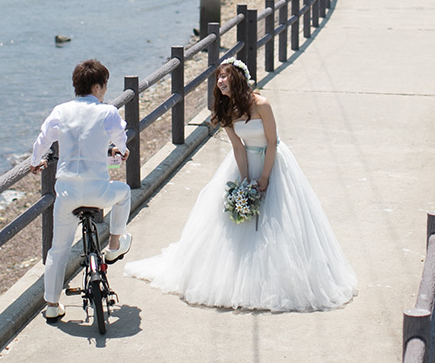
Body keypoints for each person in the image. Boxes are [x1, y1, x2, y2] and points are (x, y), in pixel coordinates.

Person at [125, 58, 356, 312]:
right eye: (218, 78)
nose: (220, 82)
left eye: (224, 76)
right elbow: (238, 147)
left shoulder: (261, 105)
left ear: (237, 78)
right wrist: (245, 182)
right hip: (245, 161)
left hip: (273, 162)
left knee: (280, 222)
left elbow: (273, 143)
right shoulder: (226, 109)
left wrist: (265, 178)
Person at [28, 59, 132, 323]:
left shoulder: (61, 111)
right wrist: (122, 149)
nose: (105, 91)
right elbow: (121, 137)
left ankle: (52, 304)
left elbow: (43, 139)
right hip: (99, 191)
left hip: (66, 192)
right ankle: (114, 245)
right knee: (124, 192)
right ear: (97, 86)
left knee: (58, 249)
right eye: (104, 85)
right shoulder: (106, 112)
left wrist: (35, 162)